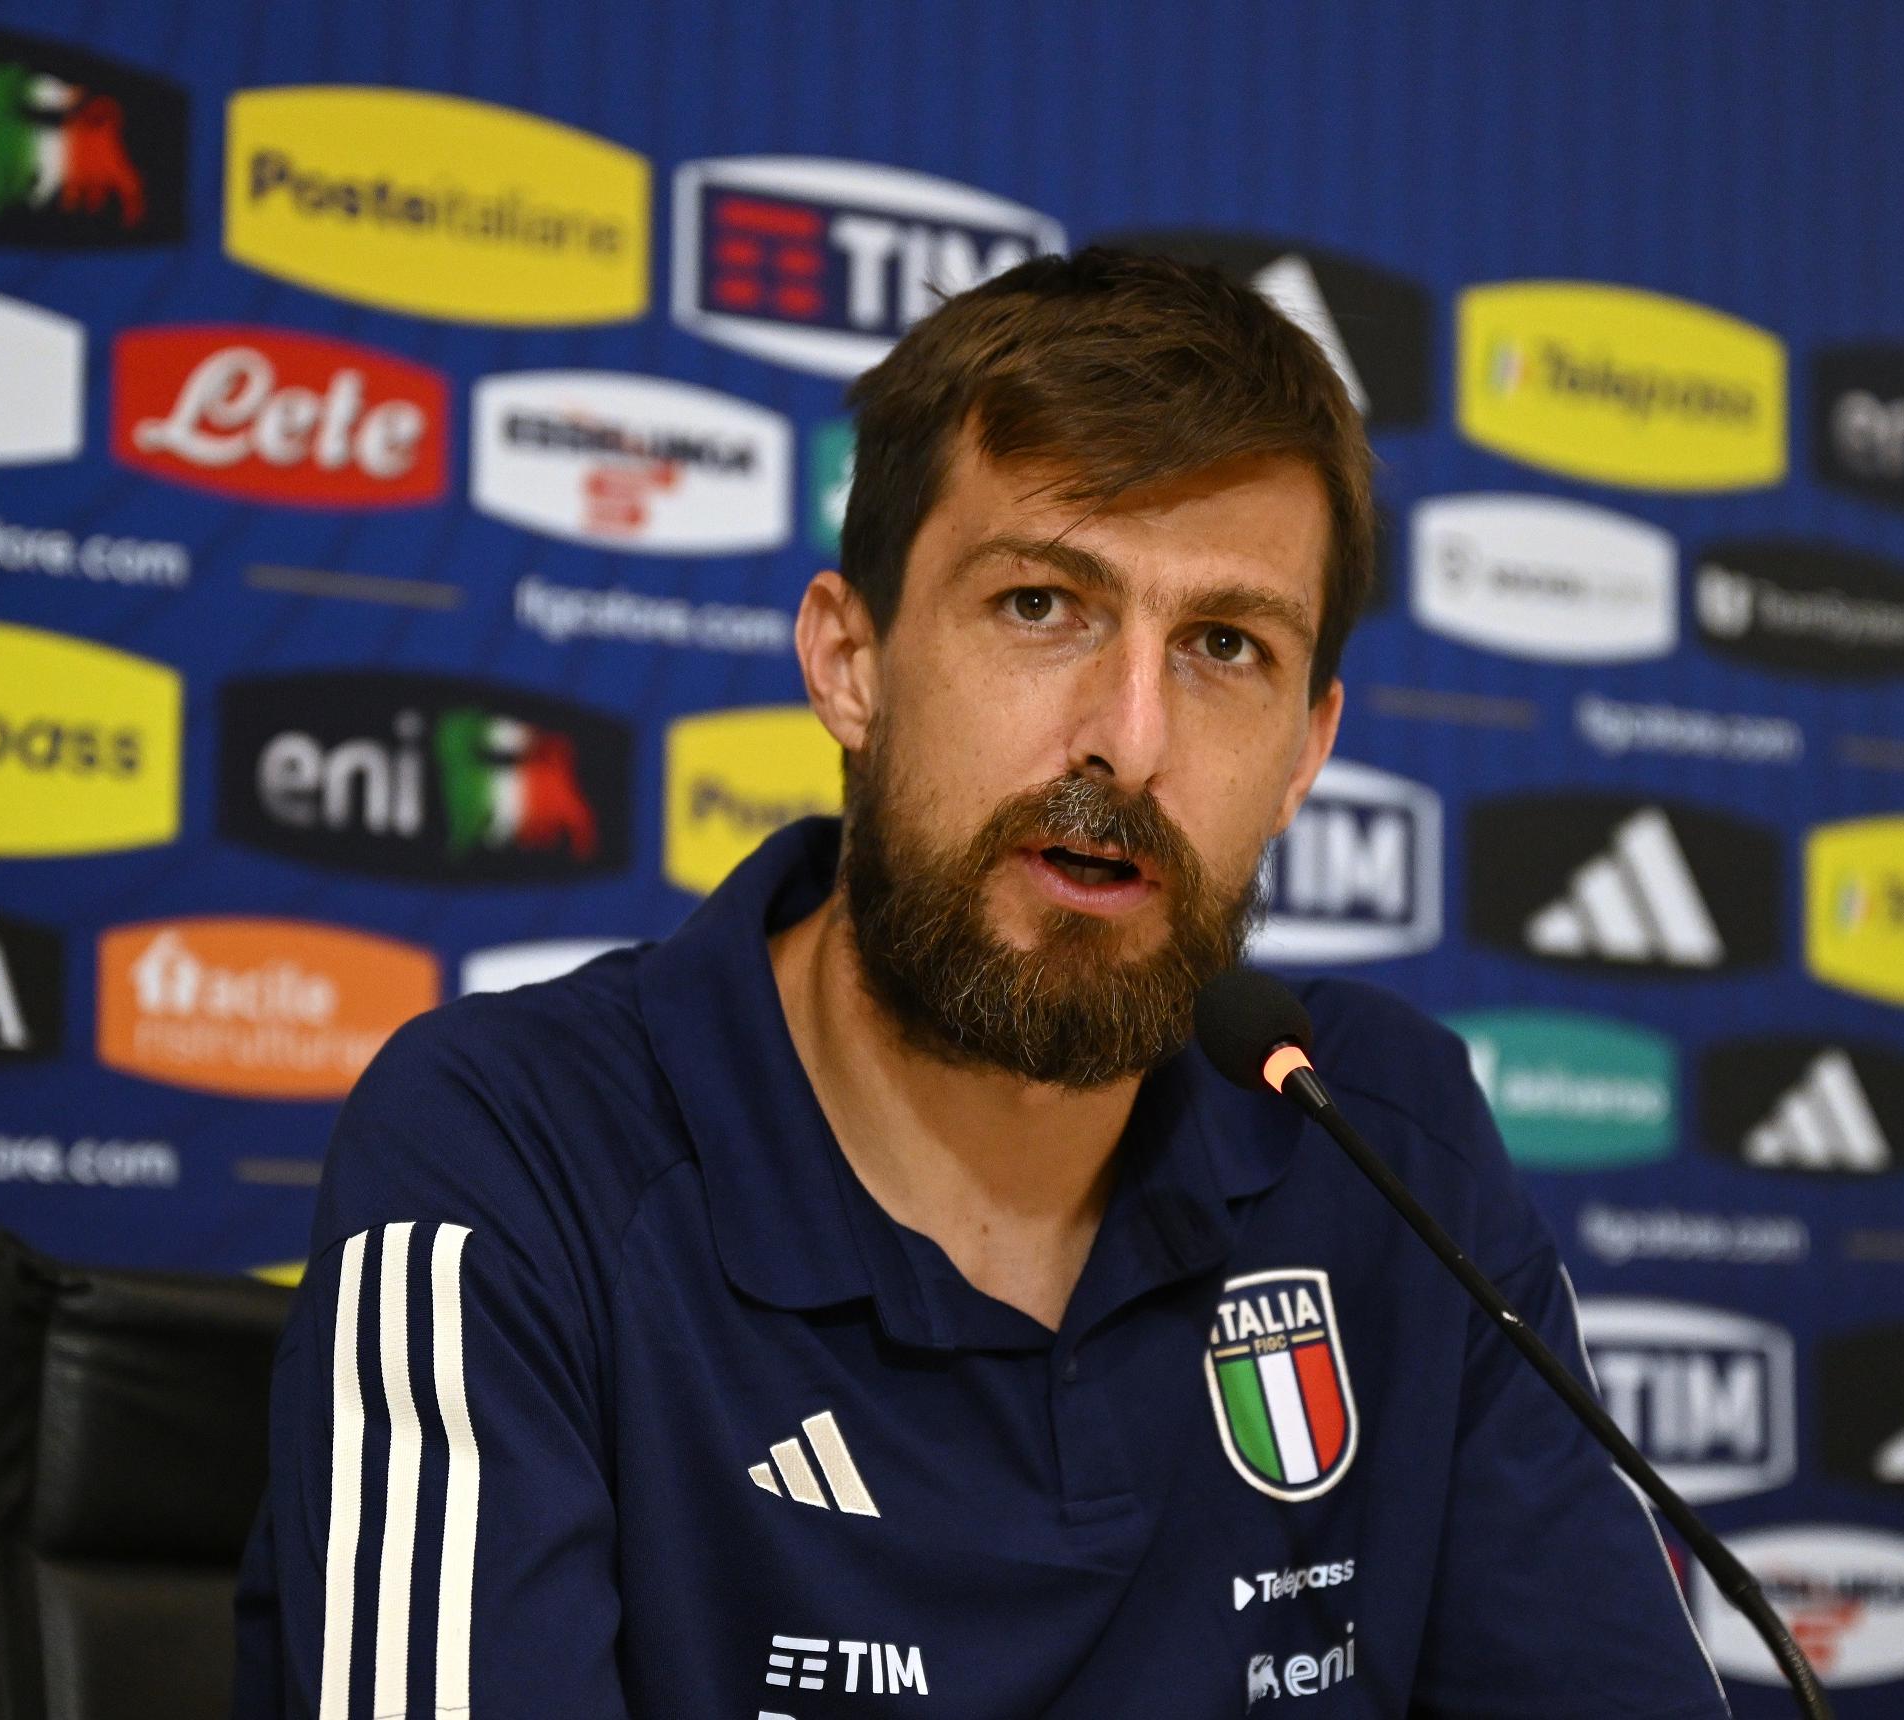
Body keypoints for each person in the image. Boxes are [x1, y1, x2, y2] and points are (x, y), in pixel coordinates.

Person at [232, 249, 1730, 1719]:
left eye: (1223, 645)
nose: (1129, 739)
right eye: (1041, 607)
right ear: (850, 663)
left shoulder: (1384, 1145)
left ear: (1308, 753)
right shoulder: (511, 1157)